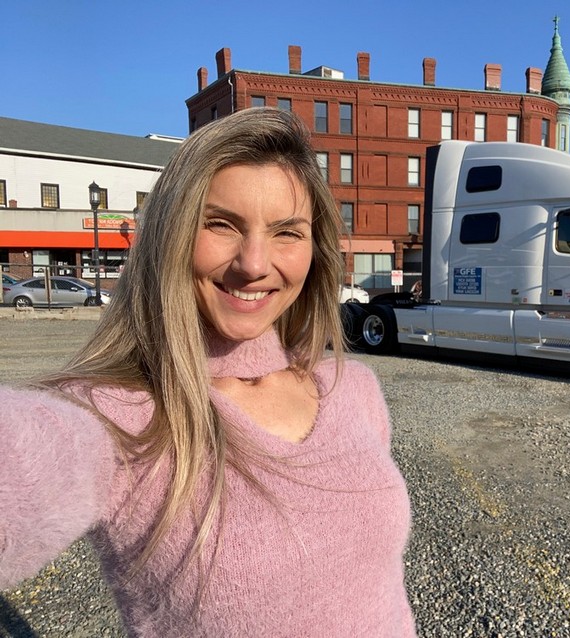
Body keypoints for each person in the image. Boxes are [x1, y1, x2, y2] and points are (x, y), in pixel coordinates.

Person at [0, 108, 416, 637]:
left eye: (287, 231)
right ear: (170, 235)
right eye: (221, 224)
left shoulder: (351, 389)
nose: (254, 263)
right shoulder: (120, 419)